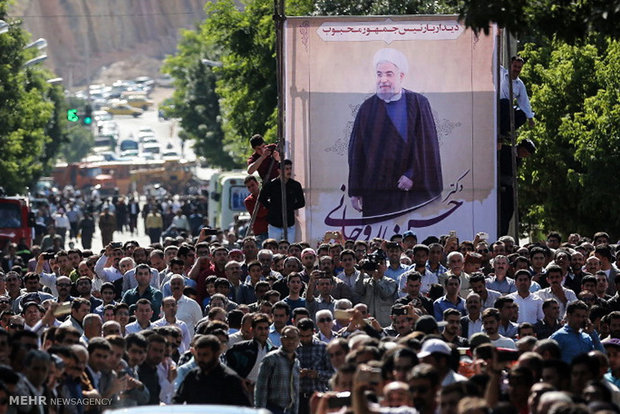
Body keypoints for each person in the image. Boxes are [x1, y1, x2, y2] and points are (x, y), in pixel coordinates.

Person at [348, 47, 443, 218]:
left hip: (408, 191)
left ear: (401, 76)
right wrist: (355, 191)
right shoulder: (367, 108)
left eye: (389, 74)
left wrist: (412, 175)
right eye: (379, 74)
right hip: (376, 193)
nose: (383, 79)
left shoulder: (418, 104)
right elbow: (356, 152)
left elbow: (427, 147)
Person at [173, 334, 251, 405]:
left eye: (205, 355)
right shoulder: (192, 376)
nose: (201, 359)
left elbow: (243, 407)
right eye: (199, 354)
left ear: (216, 354)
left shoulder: (230, 379)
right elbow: (178, 400)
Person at [254, 325, 301, 414]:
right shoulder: (271, 359)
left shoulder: (296, 362)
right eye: (287, 338)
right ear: (281, 339)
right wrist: (260, 411)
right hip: (272, 409)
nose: (291, 341)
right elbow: (261, 389)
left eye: (294, 338)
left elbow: (295, 392)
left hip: (289, 410)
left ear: (299, 340)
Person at [258, 159, 305, 242]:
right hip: (274, 224)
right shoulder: (271, 185)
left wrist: (289, 207)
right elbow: (262, 198)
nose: (289, 171)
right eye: (286, 169)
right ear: (279, 170)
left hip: (289, 224)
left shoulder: (295, 185)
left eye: (290, 168)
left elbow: (301, 202)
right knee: (273, 246)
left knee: (289, 247)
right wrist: (273, 207)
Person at [499, 56, 535, 137]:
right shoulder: (501, 72)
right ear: (510, 65)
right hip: (498, 106)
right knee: (506, 103)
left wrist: (530, 118)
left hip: (507, 111)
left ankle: (504, 130)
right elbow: (493, 62)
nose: (517, 69)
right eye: (515, 66)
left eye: (519, 67)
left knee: (521, 115)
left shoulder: (519, 85)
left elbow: (524, 101)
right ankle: (501, 129)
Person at [244, 175, 269, 243]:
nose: (251, 188)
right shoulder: (248, 201)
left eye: (252, 185)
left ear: (257, 183)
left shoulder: (267, 194)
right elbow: (259, 213)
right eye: (249, 187)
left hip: (271, 228)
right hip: (260, 231)